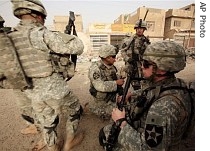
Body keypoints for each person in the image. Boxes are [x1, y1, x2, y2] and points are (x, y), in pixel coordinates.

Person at [1, 0, 84, 150]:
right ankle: (69, 142)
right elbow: (77, 47)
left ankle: (53, 147)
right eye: (43, 18)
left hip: (32, 92)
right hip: (54, 89)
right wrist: (67, 37)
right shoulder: (41, 34)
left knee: (47, 122)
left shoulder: (10, 37)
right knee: (75, 110)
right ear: (38, 15)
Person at [99, 40, 193, 151]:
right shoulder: (175, 83)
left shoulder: (164, 108)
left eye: (146, 64)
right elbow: (155, 90)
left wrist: (121, 122)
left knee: (107, 136)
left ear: (161, 70)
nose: (142, 67)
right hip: (152, 131)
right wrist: (132, 94)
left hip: (151, 144)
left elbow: (148, 149)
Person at [88, 44, 125, 120]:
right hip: (102, 99)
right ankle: (94, 107)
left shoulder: (112, 66)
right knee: (115, 115)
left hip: (112, 96)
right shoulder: (95, 68)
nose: (115, 59)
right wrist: (116, 83)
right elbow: (99, 85)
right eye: (113, 56)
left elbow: (114, 76)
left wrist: (120, 77)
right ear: (107, 57)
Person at [120, 19, 150, 90]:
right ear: (136, 29)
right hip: (132, 65)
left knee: (145, 84)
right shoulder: (130, 40)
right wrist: (128, 59)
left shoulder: (146, 41)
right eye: (138, 28)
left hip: (142, 65)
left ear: (144, 30)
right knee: (134, 84)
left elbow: (149, 53)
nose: (139, 30)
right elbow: (122, 51)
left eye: (141, 28)